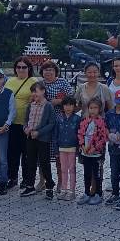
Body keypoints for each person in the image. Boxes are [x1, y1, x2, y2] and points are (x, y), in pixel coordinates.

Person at [75, 61, 113, 196]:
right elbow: (77, 106)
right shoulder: (81, 88)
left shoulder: (104, 88)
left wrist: (108, 128)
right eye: (89, 72)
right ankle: (88, 188)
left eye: (95, 72)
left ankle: (96, 189)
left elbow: (110, 109)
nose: (92, 74)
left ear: (98, 73)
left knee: (98, 159)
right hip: (85, 127)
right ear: (85, 73)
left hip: (99, 128)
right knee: (86, 158)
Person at [40, 60, 74, 194]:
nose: (48, 72)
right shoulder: (40, 84)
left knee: (59, 154)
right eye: (46, 69)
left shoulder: (62, 82)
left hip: (60, 121)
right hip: (43, 121)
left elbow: (71, 96)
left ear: (56, 72)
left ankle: (61, 181)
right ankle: (43, 180)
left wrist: (58, 101)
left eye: (51, 69)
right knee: (42, 154)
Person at [4, 56, 37, 189]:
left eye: (24, 67)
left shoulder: (33, 81)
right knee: (12, 152)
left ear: (29, 68)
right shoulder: (10, 81)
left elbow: (38, 97)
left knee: (27, 153)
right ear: (15, 68)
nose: (21, 69)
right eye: (19, 67)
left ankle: (26, 179)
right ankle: (12, 177)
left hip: (27, 123)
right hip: (12, 122)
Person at [20, 82, 56, 199]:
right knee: (30, 162)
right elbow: (26, 120)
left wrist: (39, 132)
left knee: (44, 163)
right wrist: (25, 128)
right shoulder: (31, 105)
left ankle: (49, 186)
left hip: (42, 139)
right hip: (30, 137)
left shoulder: (48, 106)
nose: (33, 94)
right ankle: (30, 186)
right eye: (32, 92)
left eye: (36, 91)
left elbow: (51, 123)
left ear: (43, 91)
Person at [77, 98, 109, 206]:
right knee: (87, 173)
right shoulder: (85, 121)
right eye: (91, 108)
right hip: (85, 152)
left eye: (95, 108)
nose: (93, 110)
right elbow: (80, 134)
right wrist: (82, 145)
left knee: (97, 174)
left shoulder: (102, 122)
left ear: (99, 109)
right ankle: (86, 192)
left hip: (96, 153)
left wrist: (94, 148)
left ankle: (98, 193)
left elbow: (102, 138)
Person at [55, 96, 80, 201]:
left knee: (72, 169)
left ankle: (72, 191)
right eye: (66, 105)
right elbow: (55, 134)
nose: (68, 107)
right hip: (61, 147)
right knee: (63, 169)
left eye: (70, 105)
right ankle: (64, 189)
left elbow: (79, 134)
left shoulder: (77, 119)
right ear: (62, 106)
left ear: (74, 106)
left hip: (72, 147)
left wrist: (79, 148)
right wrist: (56, 148)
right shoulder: (59, 118)